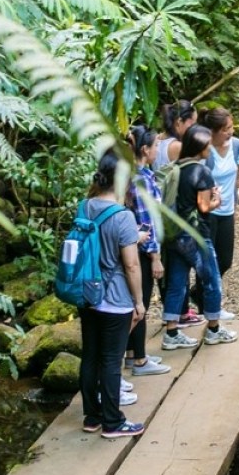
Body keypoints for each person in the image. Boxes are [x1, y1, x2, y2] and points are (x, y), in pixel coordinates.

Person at [78, 150, 147, 438]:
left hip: (87, 294)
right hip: (115, 299)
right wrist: (139, 302)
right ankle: (113, 422)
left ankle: (92, 417)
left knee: (90, 356)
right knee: (111, 360)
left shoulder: (84, 207)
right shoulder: (123, 216)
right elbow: (130, 265)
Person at [161, 125, 239, 349]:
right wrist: (218, 199)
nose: (210, 149)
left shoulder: (177, 168)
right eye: (207, 145)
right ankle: (214, 329)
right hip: (195, 235)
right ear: (199, 147)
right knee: (212, 280)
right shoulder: (201, 171)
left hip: (175, 235)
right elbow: (204, 206)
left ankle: (171, 333)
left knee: (177, 283)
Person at [123, 125, 172, 376]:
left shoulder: (139, 174)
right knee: (140, 303)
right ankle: (140, 360)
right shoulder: (141, 179)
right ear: (145, 149)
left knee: (136, 301)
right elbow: (147, 220)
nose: (157, 150)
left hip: (135, 249)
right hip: (141, 251)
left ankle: (133, 355)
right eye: (155, 146)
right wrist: (156, 257)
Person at [153, 100, 206, 327]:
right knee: (178, 265)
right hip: (174, 210)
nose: (194, 127)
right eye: (192, 122)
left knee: (168, 260)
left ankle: (176, 311)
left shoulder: (157, 140)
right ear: (179, 122)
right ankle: (179, 313)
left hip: (159, 208)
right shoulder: (176, 146)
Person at [202, 107, 239, 320]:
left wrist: (235, 196)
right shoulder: (205, 151)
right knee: (210, 261)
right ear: (213, 131)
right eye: (226, 129)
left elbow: (236, 170)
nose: (231, 132)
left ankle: (198, 296)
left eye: (231, 127)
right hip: (210, 212)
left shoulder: (236, 145)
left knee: (224, 260)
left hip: (228, 210)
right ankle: (211, 306)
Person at [153, 100, 197, 169]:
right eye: (192, 124)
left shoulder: (156, 138)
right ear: (179, 122)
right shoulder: (178, 147)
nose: (194, 129)